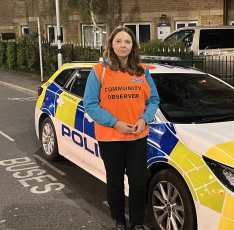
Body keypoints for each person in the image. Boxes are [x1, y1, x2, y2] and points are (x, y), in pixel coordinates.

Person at [83, 26, 160, 230]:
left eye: (127, 42)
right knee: (115, 184)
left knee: (138, 185)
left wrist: (145, 119)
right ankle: (119, 221)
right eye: (118, 41)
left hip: (137, 138)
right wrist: (114, 122)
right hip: (110, 138)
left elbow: (153, 99)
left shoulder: (142, 71)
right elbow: (89, 104)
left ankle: (136, 223)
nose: (123, 45)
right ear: (111, 44)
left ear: (133, 46)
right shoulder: (99, 71)